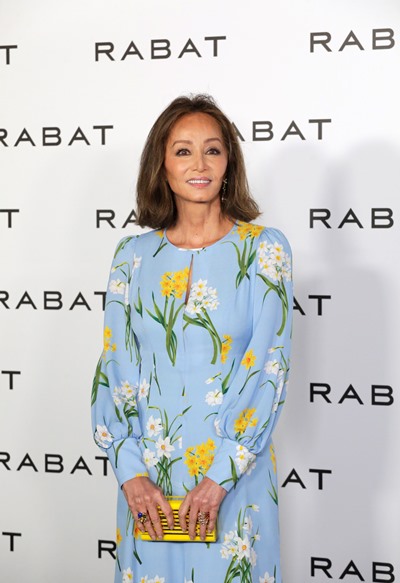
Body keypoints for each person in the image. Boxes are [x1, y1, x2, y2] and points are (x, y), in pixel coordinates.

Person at [91, 94, 293, 583]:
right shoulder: (131, 256)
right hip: (148, 486)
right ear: (161, 165)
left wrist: (220, 477)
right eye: (183, 150)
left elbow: (270, 366)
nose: (199, 164)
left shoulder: (264, 251)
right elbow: (115, 367)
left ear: (229, 163)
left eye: (213, 150)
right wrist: (131, 472)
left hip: (235, 477)